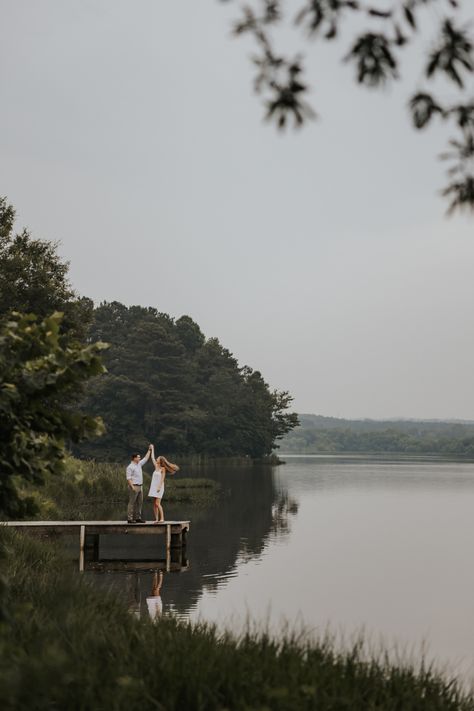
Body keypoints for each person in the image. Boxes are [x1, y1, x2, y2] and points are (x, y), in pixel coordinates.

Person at [148, 445, 179, 523]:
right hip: (153, 487)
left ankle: (162, 518)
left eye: (157, 458)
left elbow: (162, 479)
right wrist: (152, 448)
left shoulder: (163, 468)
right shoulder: (156, 466)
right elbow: (152, 457)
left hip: (159, 487)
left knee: (158, 503)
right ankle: (156, 519)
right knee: (154, 504)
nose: (156, 459)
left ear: (160, 461)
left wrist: (159, 487)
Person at [126, 446, 152, 523]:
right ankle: (130, 519)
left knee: (140, 503)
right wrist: (132, 487)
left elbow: (146, 458)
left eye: (139, 457)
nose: (140, 458)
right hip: (134, 486)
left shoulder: (139, 464)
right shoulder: (130, 467)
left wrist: (149, 450)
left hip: (140, 486)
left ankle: (138, 518)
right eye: (138, 457)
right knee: (132, 503)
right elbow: (128, 478)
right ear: (134, 458)